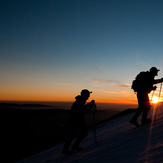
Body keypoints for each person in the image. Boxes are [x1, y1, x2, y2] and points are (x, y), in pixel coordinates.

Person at [62, 89, 96, 154]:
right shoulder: (79, 102)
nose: (88, 97)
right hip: (76, 121)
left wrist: (90, 105)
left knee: (75, 135)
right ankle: (68, 149)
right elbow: (85, 109)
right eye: (87, 95)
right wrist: (91, 104)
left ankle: (70, 148)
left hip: (76, 121)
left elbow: (84, 109)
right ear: (84, 95)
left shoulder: (80, 101)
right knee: (75, 135)